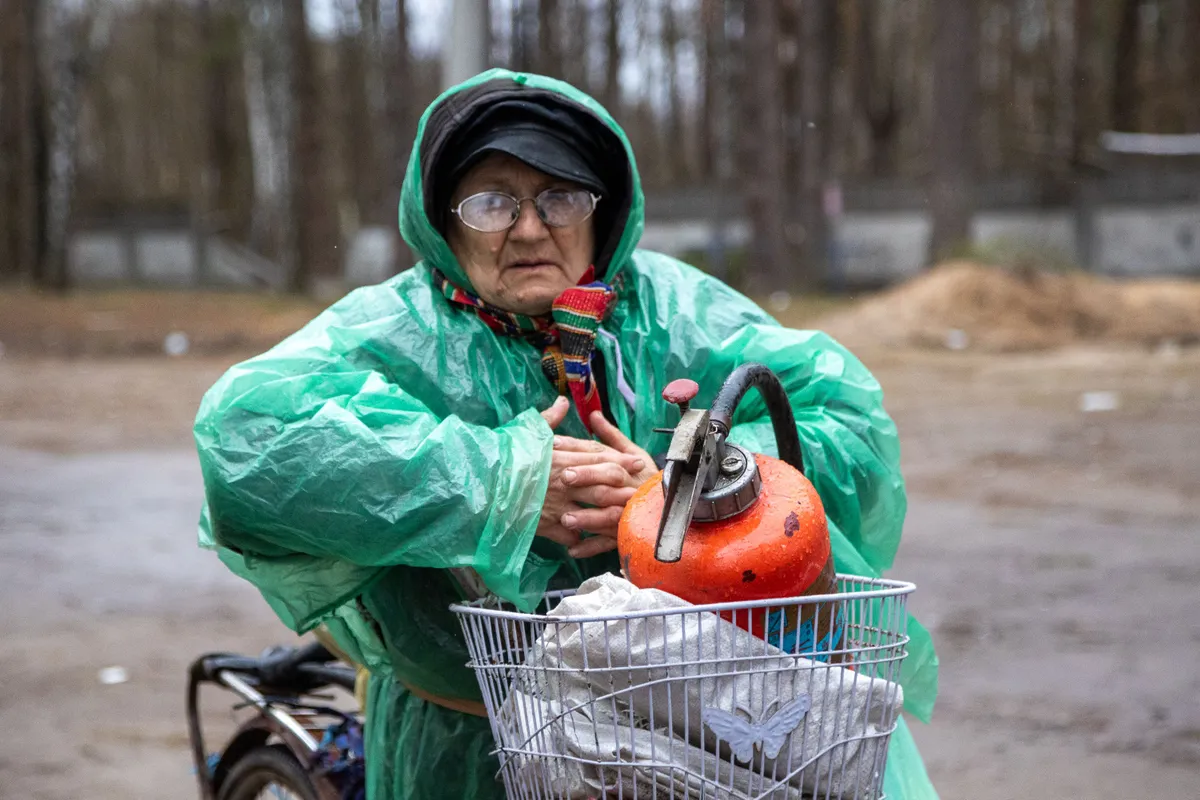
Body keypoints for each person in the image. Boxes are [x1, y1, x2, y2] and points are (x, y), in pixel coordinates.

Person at [194, 69, 939, 800]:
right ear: (441, 218)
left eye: (560, 196)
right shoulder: (399, 331)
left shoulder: (675, 312)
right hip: (464, 748)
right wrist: (502, 486)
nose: (528, 227)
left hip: (703, 734)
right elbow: (247, 440)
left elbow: (847, 426)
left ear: (603, 211)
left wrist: (680, 498)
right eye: (490, 202)